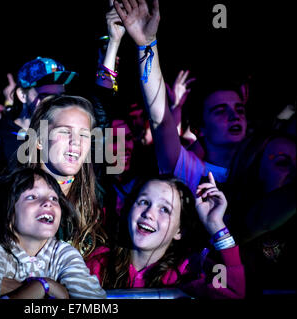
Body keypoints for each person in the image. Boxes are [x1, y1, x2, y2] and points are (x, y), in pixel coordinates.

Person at [114, 0, 248, 194]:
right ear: (200, 128)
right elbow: (161, 119)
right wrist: (146, 44)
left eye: (239, 109)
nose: (235, 116)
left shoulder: (263, 166)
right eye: (220, 111)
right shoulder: (189, 171)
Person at [86, 173, 245, 299]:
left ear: (179, 231)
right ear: (128, 211)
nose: (149, 214)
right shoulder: (98, 263)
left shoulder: (189, 270)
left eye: (165, 210)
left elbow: (231, 290)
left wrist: (216, 225)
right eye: (143, 202)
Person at [0, 167, 106, 299]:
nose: (48, 203)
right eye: (32, 197)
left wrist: (19, 287)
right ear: (9, 212)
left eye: (54, 198)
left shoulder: (63, 254)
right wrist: (43, 286)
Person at [0, 56, 78, 211]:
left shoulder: (62, 140)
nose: (54, 105)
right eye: (46, 97)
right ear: (22, 95)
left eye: (59, 98)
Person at [18, 94, 107, 259]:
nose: (76, 141)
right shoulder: (12, 195)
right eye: (65, 131)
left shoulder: (98, 198)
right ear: (39, 140)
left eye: (84, 134)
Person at [225, 130, 296, 296]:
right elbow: (258, 220)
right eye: (283, 163)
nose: (294, 171)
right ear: (254, 170)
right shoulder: (232, 217)